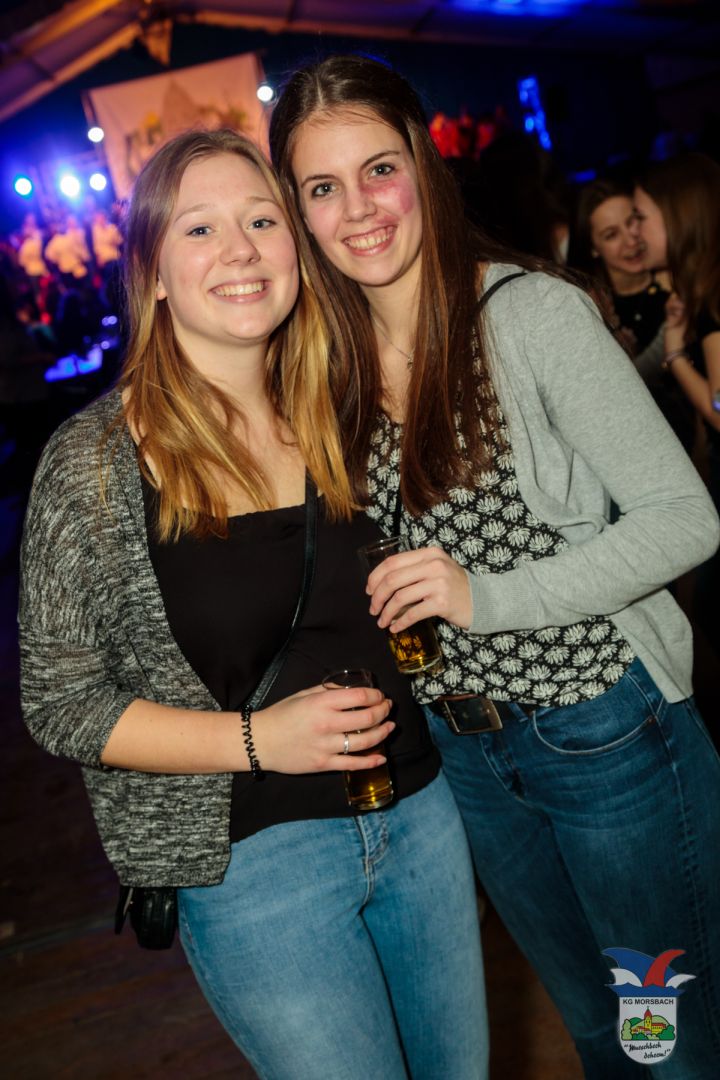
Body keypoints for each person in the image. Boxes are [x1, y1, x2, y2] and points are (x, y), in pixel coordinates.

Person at [269, 55, 720, 1080]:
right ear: (297, 211)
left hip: (604, 735)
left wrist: (487, 597)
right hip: (469, 760)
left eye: (379, 170)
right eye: (323, 187)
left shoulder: (525, 315)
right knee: (598, 1030)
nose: (359, 209)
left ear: (424, 166)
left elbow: (685, 519)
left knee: (667, 1042)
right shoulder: (327, 365)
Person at [19, 130, 487, 1080]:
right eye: (200, 229)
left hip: (421, 816)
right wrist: (256, 740)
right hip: (256, 865)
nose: (239, 249)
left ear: (295, 250)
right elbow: (59, 703)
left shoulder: (346, 405)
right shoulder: (95, 460)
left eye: (263, 221)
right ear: (152, 273)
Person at [634, 152, 720, 655]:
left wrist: (675, 355)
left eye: (642, 217)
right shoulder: (698, 288)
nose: (636, 232)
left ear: (677, 218)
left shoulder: (713, 295)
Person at [568, 176, 695, 451]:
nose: (631, 239)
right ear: (593, 247)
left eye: (633, 221)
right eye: (611, 235)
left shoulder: (679, 288)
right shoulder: (588, 308)